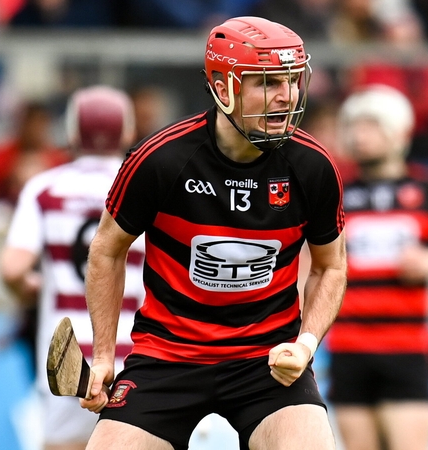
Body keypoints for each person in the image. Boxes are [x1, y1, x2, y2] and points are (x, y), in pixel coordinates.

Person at [79, 16, 347, 450]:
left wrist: (305, 345)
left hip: (266, 361)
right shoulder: (160, 159)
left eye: (292, 80)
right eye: (268, 83)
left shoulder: (314, 166)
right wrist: (104, 355)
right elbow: (107, 250)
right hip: (167, 355)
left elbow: (330, 267)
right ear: (223, 89)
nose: (287, 96)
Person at [325, 85, 428, 450]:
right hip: (347, 347)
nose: (359, 135)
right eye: (353, 126)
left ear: (398, 132)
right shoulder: (334, 191)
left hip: (406, 348)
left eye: (370, 126)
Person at [0, 86, 145, 450]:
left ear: (72, 133)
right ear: (127, 131)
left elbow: (13, 269)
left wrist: (29, 289)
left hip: (66, 354)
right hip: (135, 354)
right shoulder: (145, 185)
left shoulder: (45, 189)